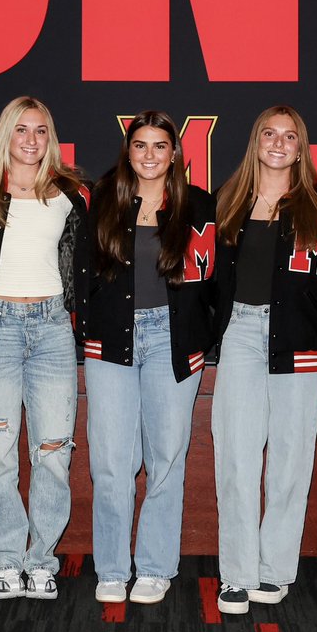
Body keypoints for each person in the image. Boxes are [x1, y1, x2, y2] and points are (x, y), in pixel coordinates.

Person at [0, 97, 91, 601]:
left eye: (40, 130)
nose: (31, 140)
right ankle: (6, 560)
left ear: (49, 137)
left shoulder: (71, 194)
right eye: (21, 129)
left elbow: (85, 263)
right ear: (5, 135)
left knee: (53, 451)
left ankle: (41, 561)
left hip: (52, 328)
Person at [84, 111, 216, 606]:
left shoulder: (199, 205)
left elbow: (216, 280)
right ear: (128, 151)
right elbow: (80, 270)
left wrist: (202, 334)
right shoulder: (102, 199)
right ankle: (112, 569)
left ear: (174, 153)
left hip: (172, 342)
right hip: (111, 342)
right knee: (112, 462)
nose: (150, 155)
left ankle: (156, 567)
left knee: (166, 458)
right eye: (140, 145)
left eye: (160, 146)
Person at [212, 105, 317, 615]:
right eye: (270, 133)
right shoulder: (227, 201)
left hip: (299, 339)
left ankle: (275, 569)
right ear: (256, 141)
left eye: (289, 136)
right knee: (236, 456)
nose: (279, 143)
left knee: (291, 457)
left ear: (300, 147)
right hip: (241, 332)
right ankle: (236, 574)